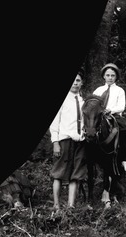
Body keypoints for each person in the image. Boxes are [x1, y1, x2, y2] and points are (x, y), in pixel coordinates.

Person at [49, 69, 87, 210]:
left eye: (78, 80)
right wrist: (55, 142)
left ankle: (71, 206)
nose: (75, 83)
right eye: (73, 80)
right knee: (58, 173)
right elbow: (54, 123)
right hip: (64, 140)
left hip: (80, 142)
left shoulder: (84, 101)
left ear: (81, 83)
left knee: (76, 174)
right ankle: (56, 205)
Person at [92, 63, 126, 173]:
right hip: (100, 116)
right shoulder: (98, 90)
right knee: (89, 128)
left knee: (123, 129)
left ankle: (124, 159)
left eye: (112, 75)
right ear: (104, 76)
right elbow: (92, 104)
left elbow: (121, 106)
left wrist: (110, 110)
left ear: (116, 77)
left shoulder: (119, 90)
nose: (110, 78)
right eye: (108, 75)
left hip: (114, 116)